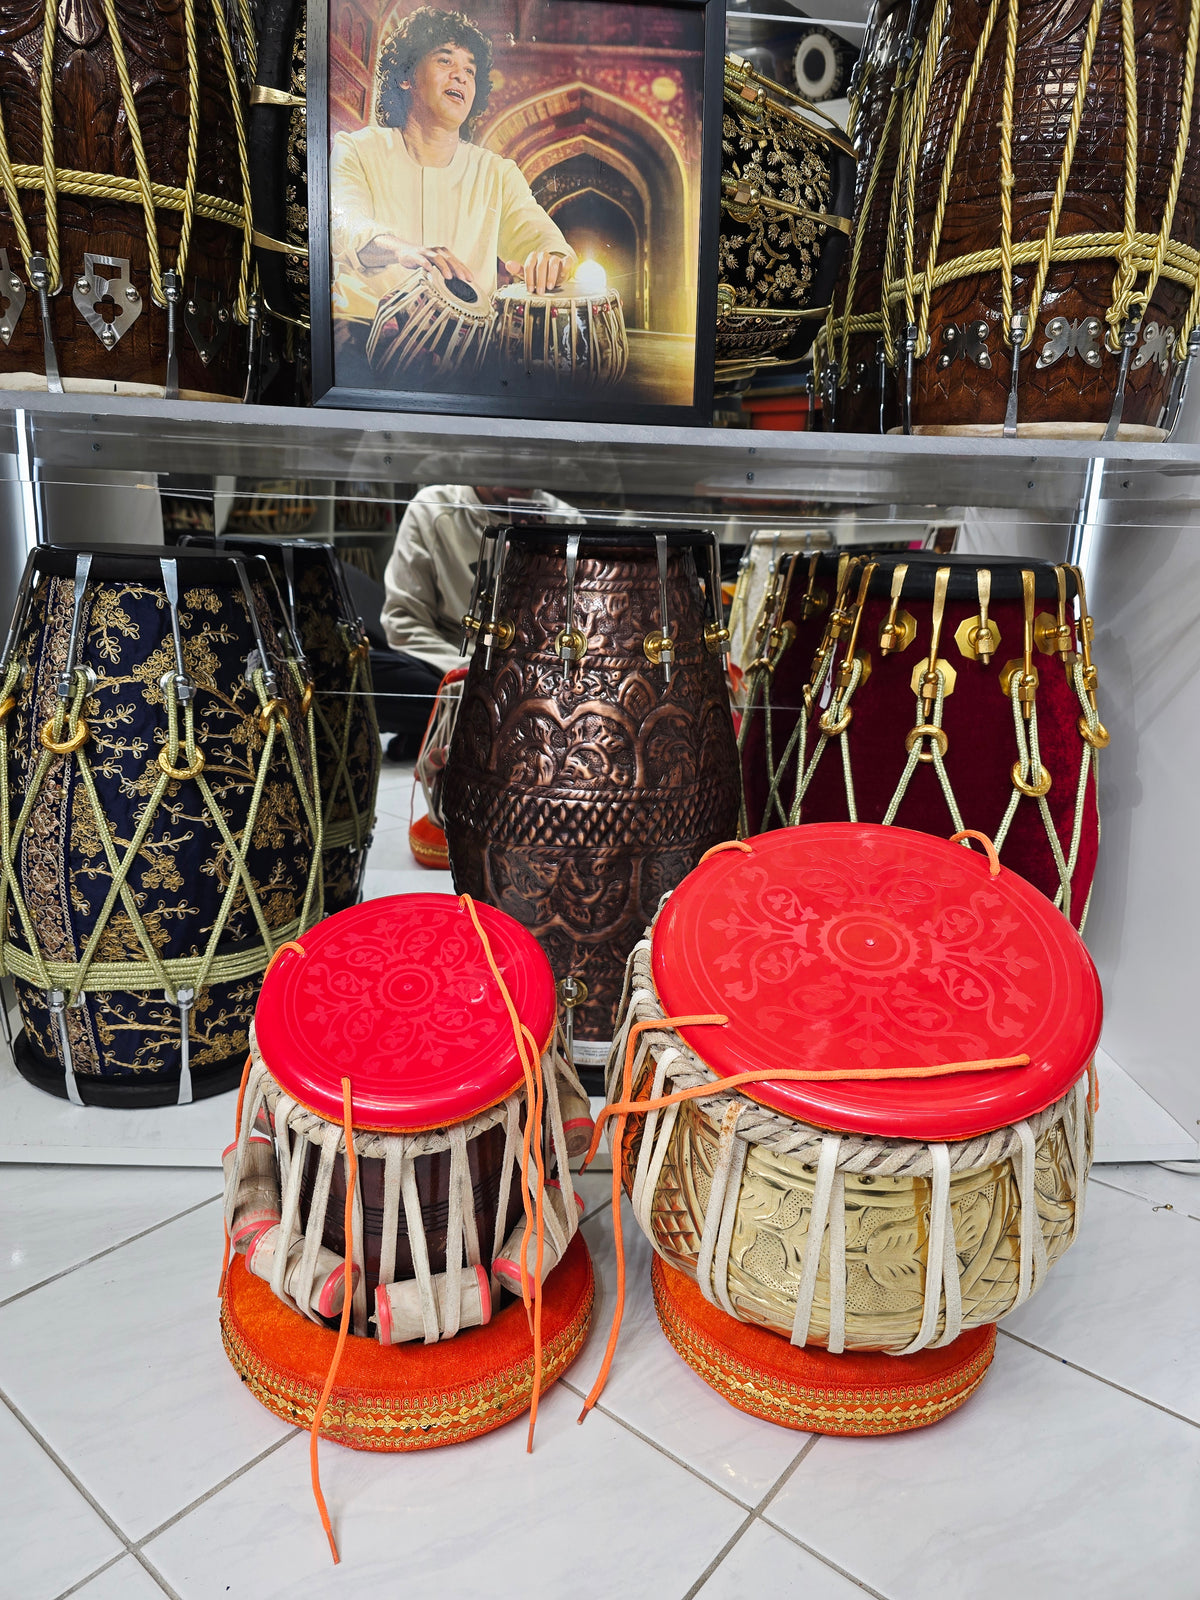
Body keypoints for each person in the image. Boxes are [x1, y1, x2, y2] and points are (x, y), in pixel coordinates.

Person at [330, 7, 575, 382]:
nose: (460, 75)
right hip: (362, 333)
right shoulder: (358, 149)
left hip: (464, 350)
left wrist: (552, 258)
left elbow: (543, 239)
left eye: (470, 70)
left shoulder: (496, 172)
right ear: (406, 76)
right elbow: (344, 223)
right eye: (445, 60)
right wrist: (402, 250)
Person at [373, 484, 580, 758]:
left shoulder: (567, 519)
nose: (518, 472)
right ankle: (483, 727)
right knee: (369, 675)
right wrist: (471, 677)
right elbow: (403, 621)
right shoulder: (434, 507)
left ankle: (449, 729)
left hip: (537, 680)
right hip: (451, 669)